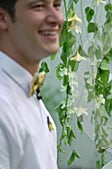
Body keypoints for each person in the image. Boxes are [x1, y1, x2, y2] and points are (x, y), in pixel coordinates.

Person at [0, 0, 63, 168]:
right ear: (2, 18)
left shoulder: (27, 91)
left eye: (57, 5)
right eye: (39, 6)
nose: (55, 18)